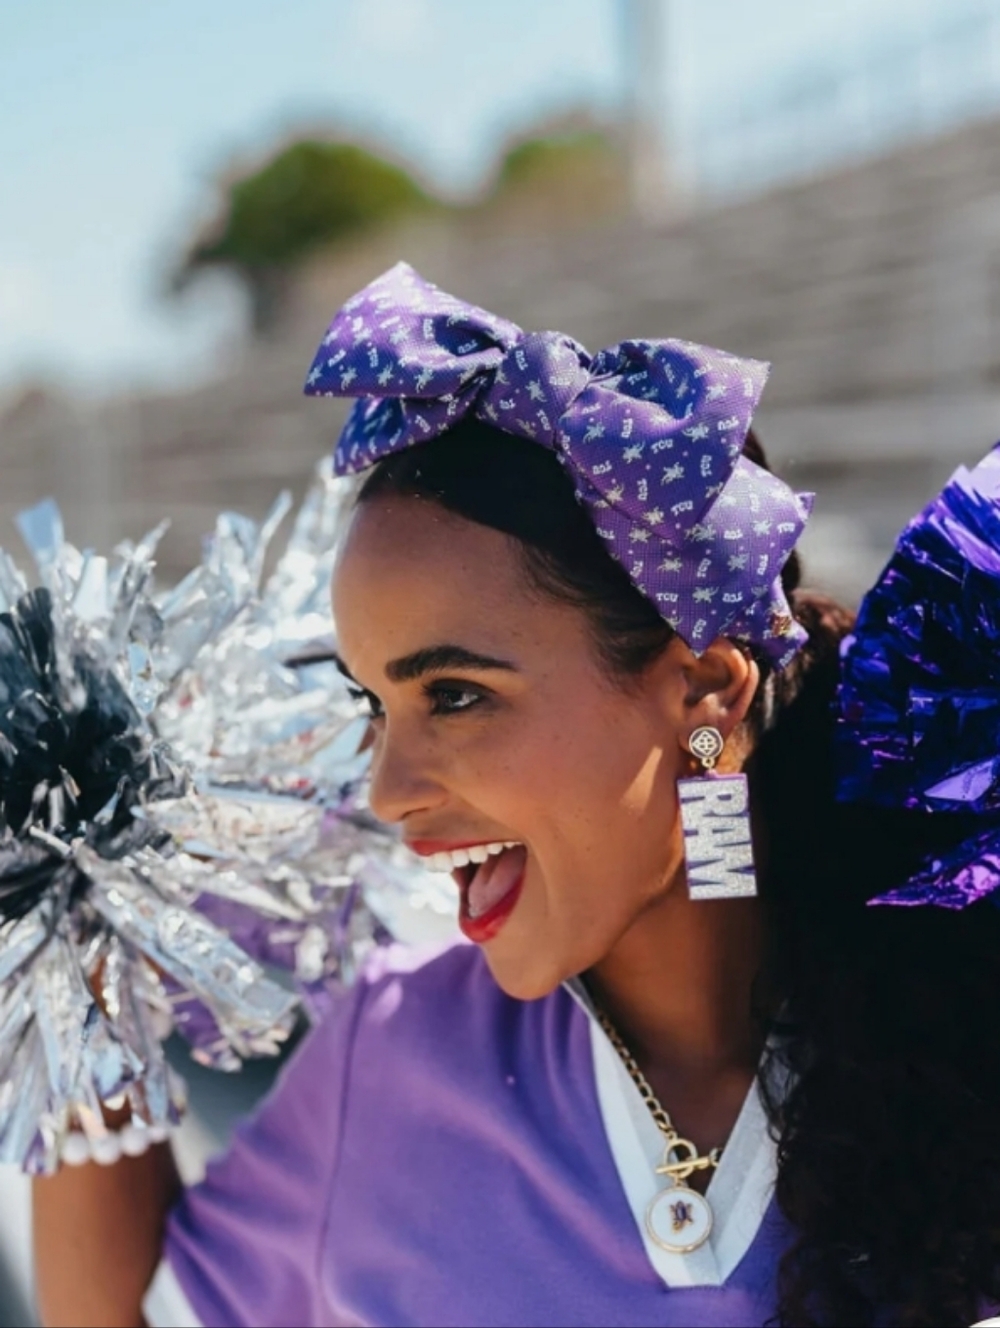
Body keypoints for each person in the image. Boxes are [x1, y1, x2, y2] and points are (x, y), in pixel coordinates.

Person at [31, 263, 1000, 1328]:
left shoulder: (964, 986)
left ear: (703, 692)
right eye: (374, 704)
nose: (389, 791)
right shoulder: (390, 1053)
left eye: (453, 693)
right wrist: (75, 939)